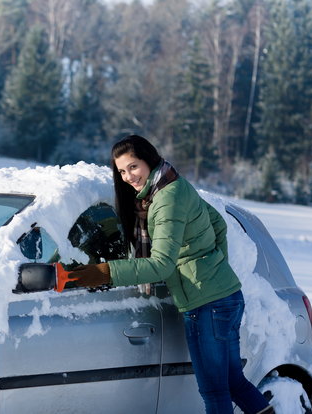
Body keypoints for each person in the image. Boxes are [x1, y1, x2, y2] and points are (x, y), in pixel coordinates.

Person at [65, 135, 274, 414]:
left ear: (149, 160)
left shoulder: (165, 200)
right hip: (225, 296)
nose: (128, 177)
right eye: (122, 171)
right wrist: (212, 264)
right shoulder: (175, 184)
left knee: (215, 390)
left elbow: (161, 264)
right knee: (233, 381)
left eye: (133, 167)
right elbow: (217, 224)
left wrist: (102, 272)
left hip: (207, 304)